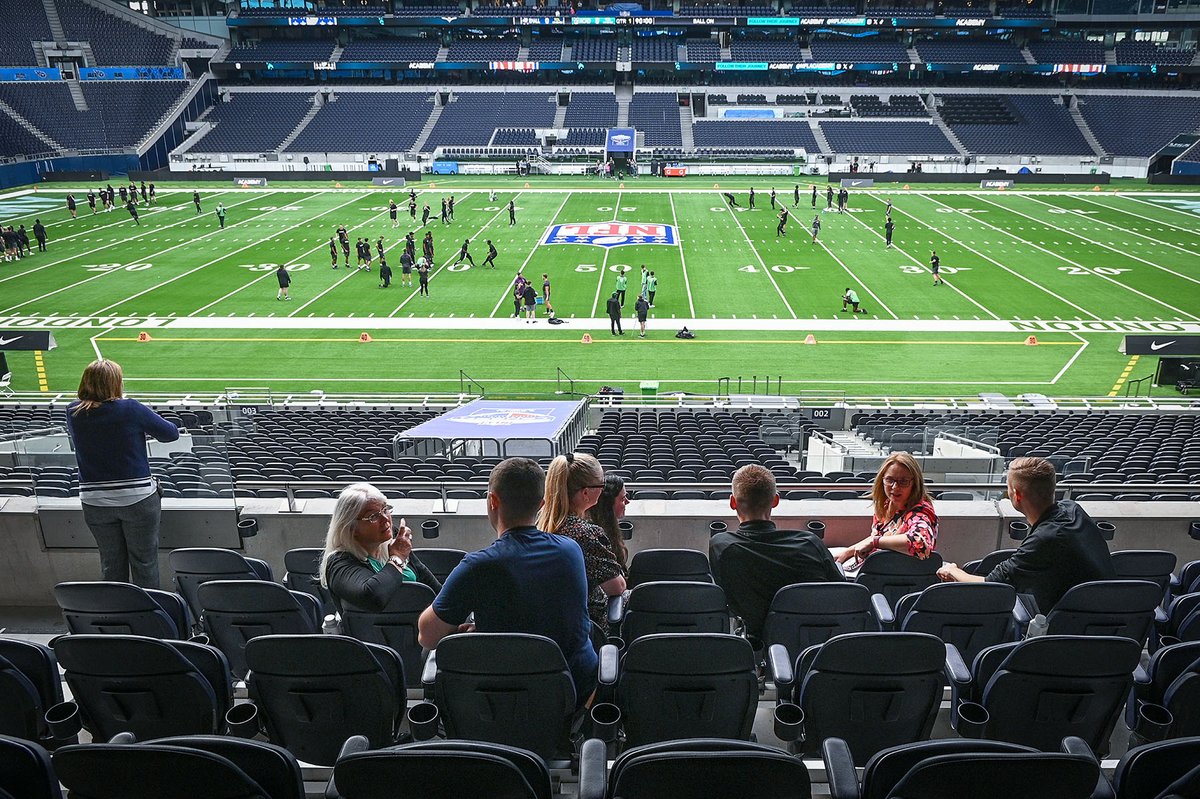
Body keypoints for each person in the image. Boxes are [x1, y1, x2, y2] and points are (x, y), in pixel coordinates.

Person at [418, 457, 598, 705]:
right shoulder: (571, 550)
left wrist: (483, 633)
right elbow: (543, 615)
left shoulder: (477, 566)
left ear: (493, 501)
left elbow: (427, 637)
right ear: (541, 504)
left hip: (502, 698)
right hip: (572, 694)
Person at [937, 457, 1116, 613]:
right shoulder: (1073, 509)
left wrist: (952, 570)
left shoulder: (1045, 540)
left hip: (1069, 622)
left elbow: (991, 585)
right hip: (1106, 610)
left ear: (1016, 495)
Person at [65, 359, 180, 588]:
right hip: (137, 499)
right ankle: (148, 608)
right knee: (144, 563)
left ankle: (117, 608)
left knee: (111, 565)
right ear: (115, 383)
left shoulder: (73, 412)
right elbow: (170, 434)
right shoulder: (130, 409)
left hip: (94, 501)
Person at [710, 464, 842, 646]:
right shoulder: (809, 543)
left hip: (757, 642)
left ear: (733, 502)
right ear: (775, 501)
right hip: (815, 641)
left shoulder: (721, 546)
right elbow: (841, 591)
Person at [536, 453, 626, 640]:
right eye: (601, 485)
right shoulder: (586, 534)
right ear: (585, 493)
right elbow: (616, 587)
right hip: (586, 629)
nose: (603, 490)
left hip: (547, 628)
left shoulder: (539, 527)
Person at [320, 483, 440, 612]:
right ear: (351, 528)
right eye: (374, 516)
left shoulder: (392, 538)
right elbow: (372, 597)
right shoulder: (339, 563)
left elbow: (429, 582)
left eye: (385, 510)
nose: (385, 519)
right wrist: (397, 557)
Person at [835, 452, 938, 568]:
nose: (895, 487)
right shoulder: (886, 505)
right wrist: (847, 553)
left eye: (903, 481)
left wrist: (875, 542)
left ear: (914, 484)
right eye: (889, 480)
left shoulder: (920, 513)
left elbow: (920, 544)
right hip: (879, 568)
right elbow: (877, 537)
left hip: (902, 575)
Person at [585, 475, 629, 579]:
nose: (627, 502)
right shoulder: (595, 535)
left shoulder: (608, 528)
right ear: (608, 505)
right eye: (623, 499)